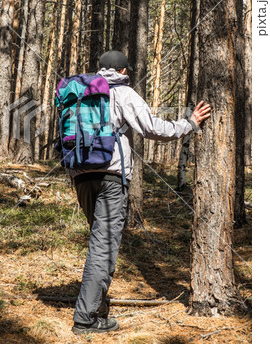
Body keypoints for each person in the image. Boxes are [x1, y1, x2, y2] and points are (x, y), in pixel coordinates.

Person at [70, 50, 211, 335]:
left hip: (81, 176)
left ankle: (96, 309)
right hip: (111, 177)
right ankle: (85, 320)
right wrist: (190, 124)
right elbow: (153, 128)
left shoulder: (81, 94)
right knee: (103, 248)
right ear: (123, 72)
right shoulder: (123, 92)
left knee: (100, 244)